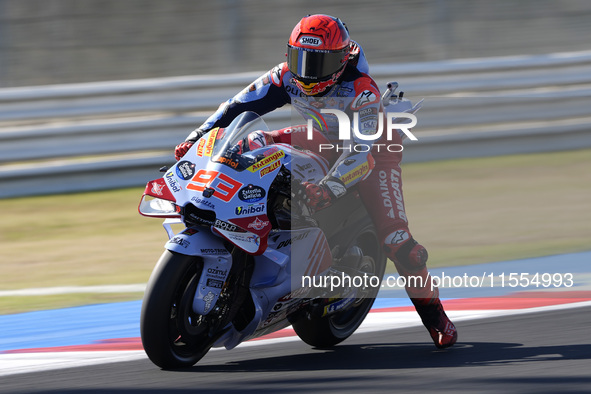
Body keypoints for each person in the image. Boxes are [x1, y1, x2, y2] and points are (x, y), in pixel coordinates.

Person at [175, 14, 457, 348]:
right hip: (321, 135)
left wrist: (330, 187)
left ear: (341, 59)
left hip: (372, 154)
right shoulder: (284, 76)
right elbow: (236, 108)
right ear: (289, 54)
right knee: (249, 145)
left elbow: (361, 153)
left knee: (399, 243)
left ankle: (436, 318)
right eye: (300, 59)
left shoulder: (360, 91)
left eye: (319, 62)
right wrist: (197, 138)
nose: (307, 72)